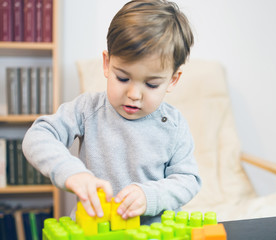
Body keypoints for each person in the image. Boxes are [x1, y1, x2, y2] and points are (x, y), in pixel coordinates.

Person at [22, 0, 201, 225]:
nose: (134, 94)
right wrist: (73, 173)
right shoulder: (87, 109)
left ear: (173, 80)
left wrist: (150, 196)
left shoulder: (173, 126)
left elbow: (188, 180)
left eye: (152, 84)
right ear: (107, 64)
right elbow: (38, 135)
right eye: (123, 78)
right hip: (96, 231)